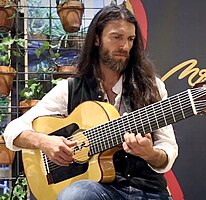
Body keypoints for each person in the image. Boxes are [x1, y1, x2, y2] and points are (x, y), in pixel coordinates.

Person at [4, 4, 178, 200]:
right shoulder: (70, 88)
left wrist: (150, 154)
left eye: (130, 39)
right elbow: (13, 130)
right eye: (116, 37)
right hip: (98, 191)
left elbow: (168, 147)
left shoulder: (152, 86)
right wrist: (44, 141)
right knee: (76, 194)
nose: (124, 46)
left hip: (148, 191)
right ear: (97, 39)